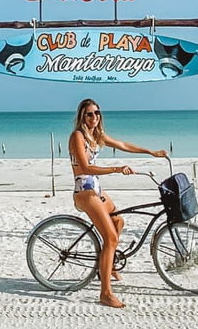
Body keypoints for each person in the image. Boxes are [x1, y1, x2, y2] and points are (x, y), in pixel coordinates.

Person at [69, 97, 168, 309]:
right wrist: (115, 169)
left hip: (96, 189)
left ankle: (108, 263)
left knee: (118, 222)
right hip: (85, 192)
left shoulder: (96, 135)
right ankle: (105, 293)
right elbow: (85, 168)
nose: (94, 117)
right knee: (111, 238)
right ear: (81, 117)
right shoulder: (78, 136)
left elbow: (122, 145)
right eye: (89, 114)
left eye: (97, 113)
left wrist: (150, 152)